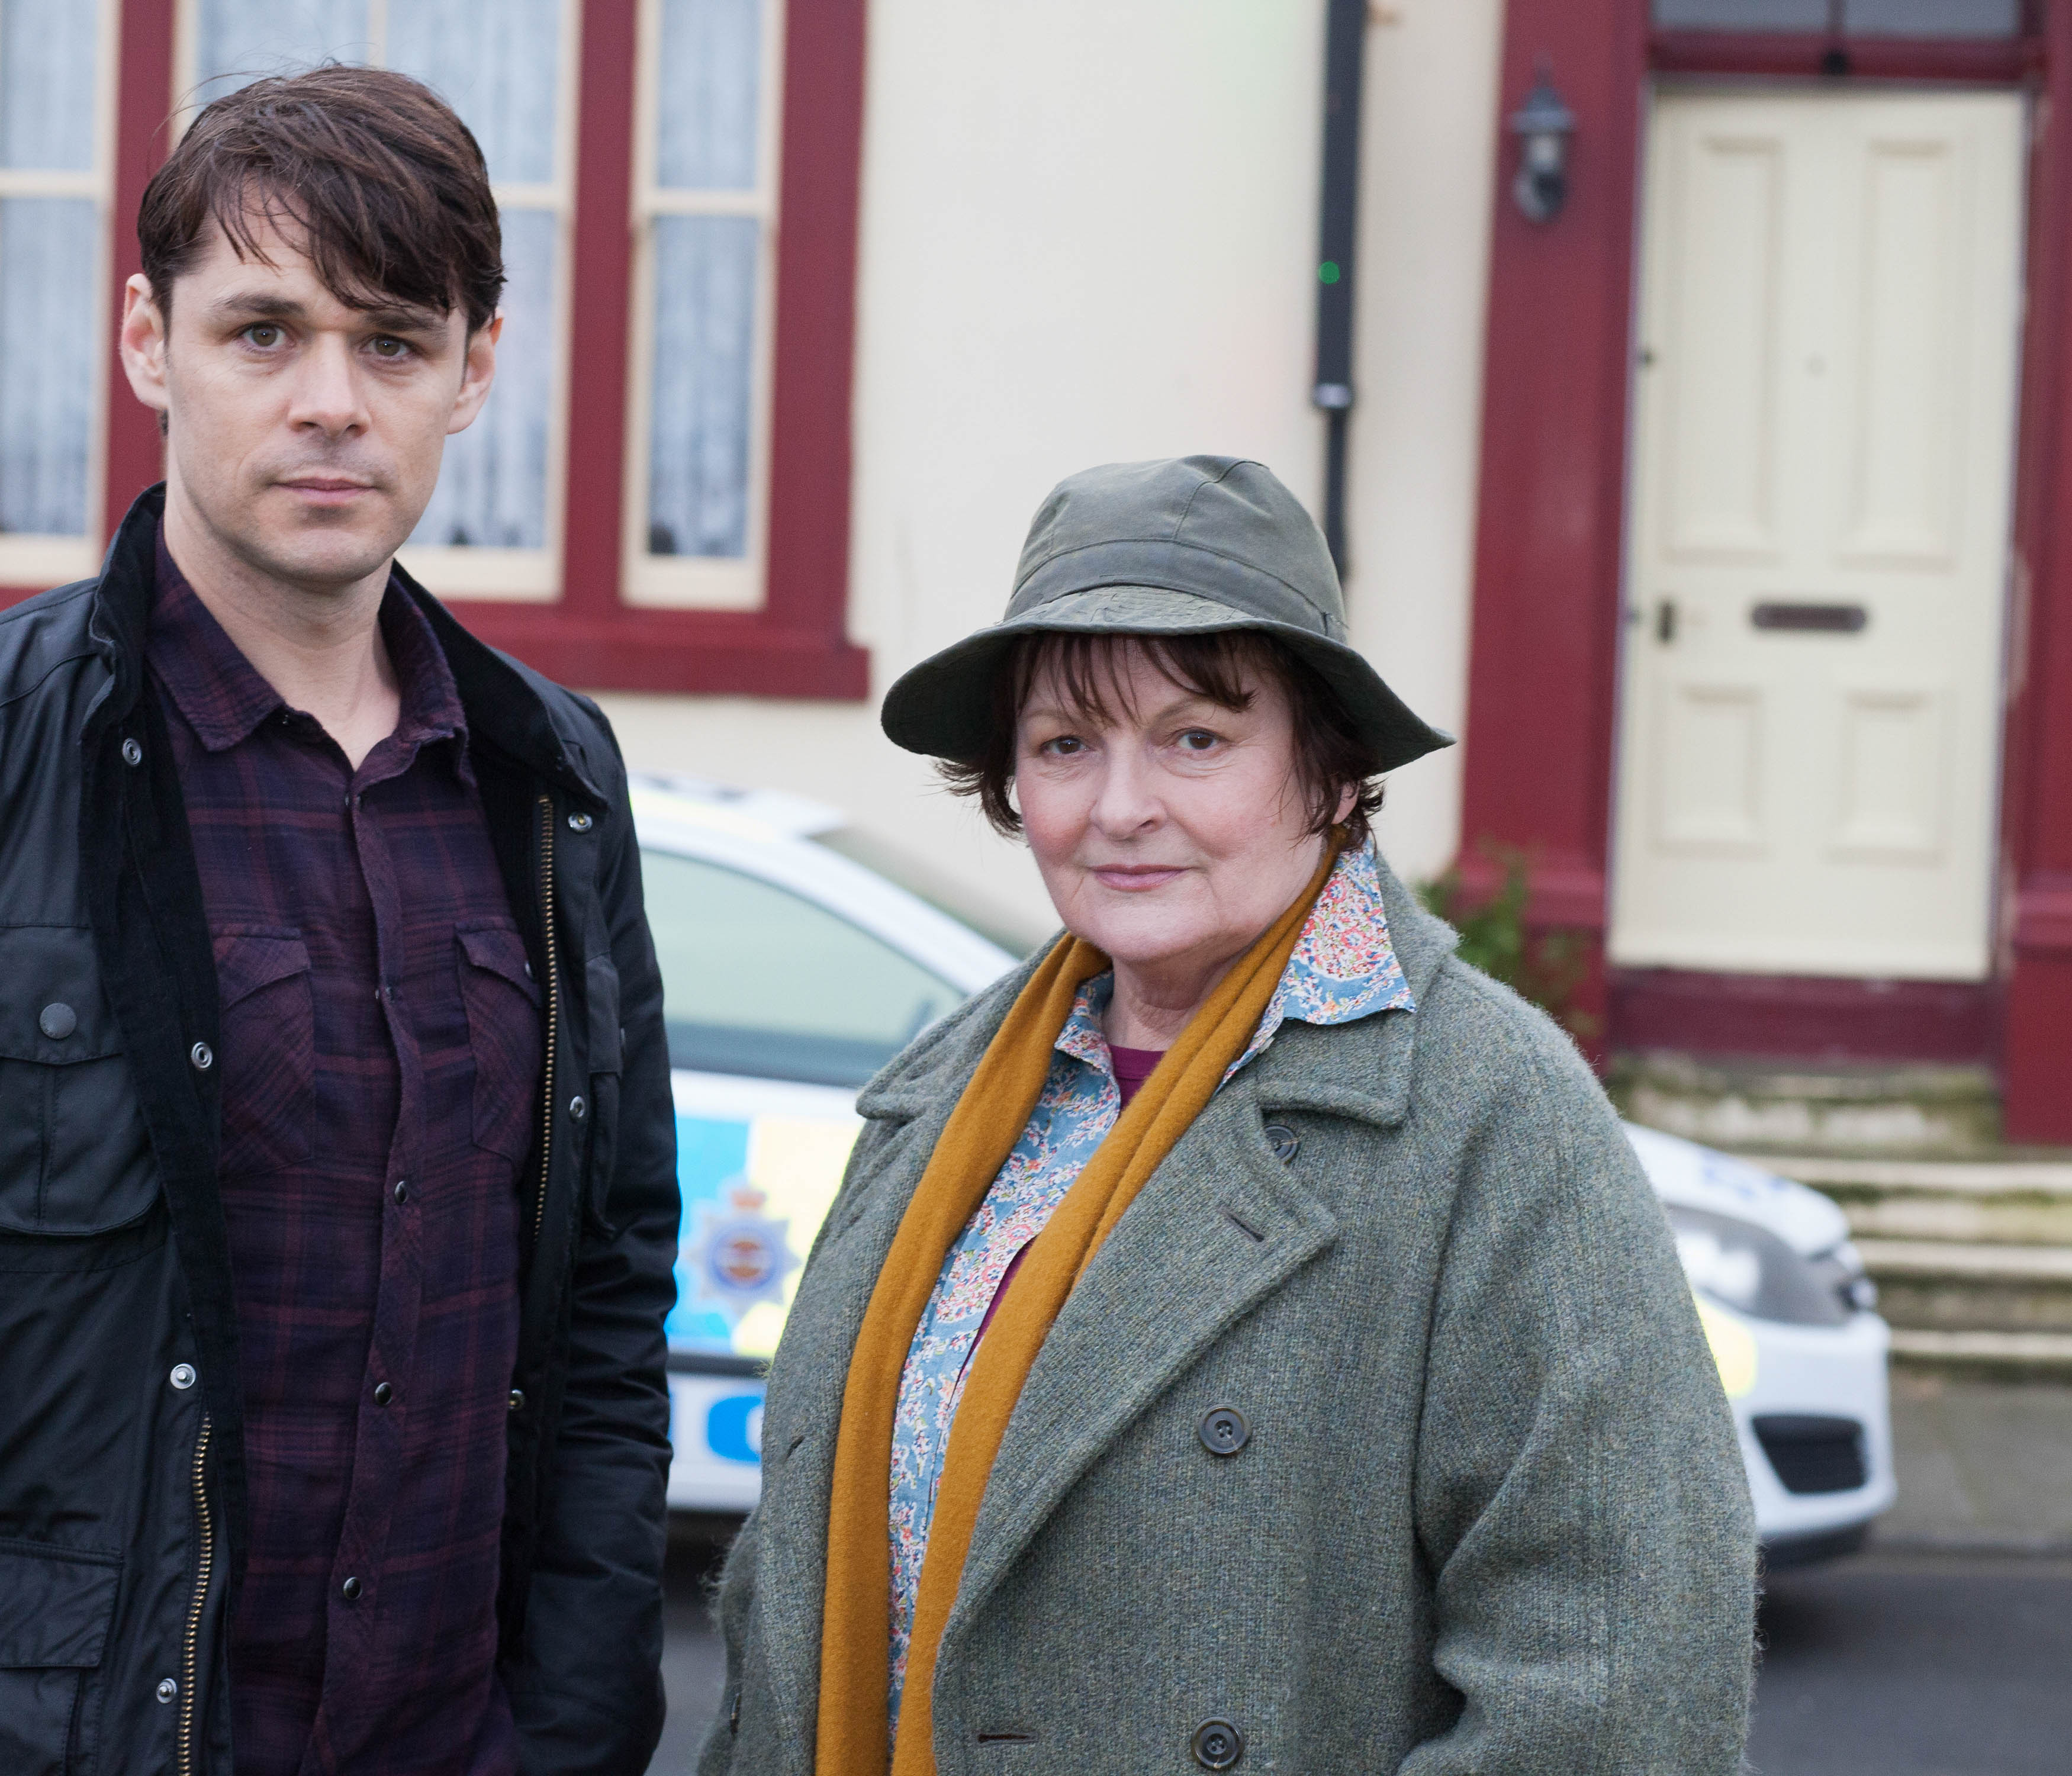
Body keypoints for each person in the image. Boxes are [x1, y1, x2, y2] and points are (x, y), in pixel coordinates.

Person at [0, 68, 676, 1776]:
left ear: (474, 371)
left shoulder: (547, 780)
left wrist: (572, 1723)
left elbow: (597, 1316)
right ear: (149, 341)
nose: (330, 405)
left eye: (392, 344)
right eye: (262, 333)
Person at [700, 457, 1756, 1775]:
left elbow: (1615, 1692)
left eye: (1196, 738)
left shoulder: (1496, 1119)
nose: (1122, 807)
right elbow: (782, 1598)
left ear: (1326, 770)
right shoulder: (946, 1095)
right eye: (1067, 744)